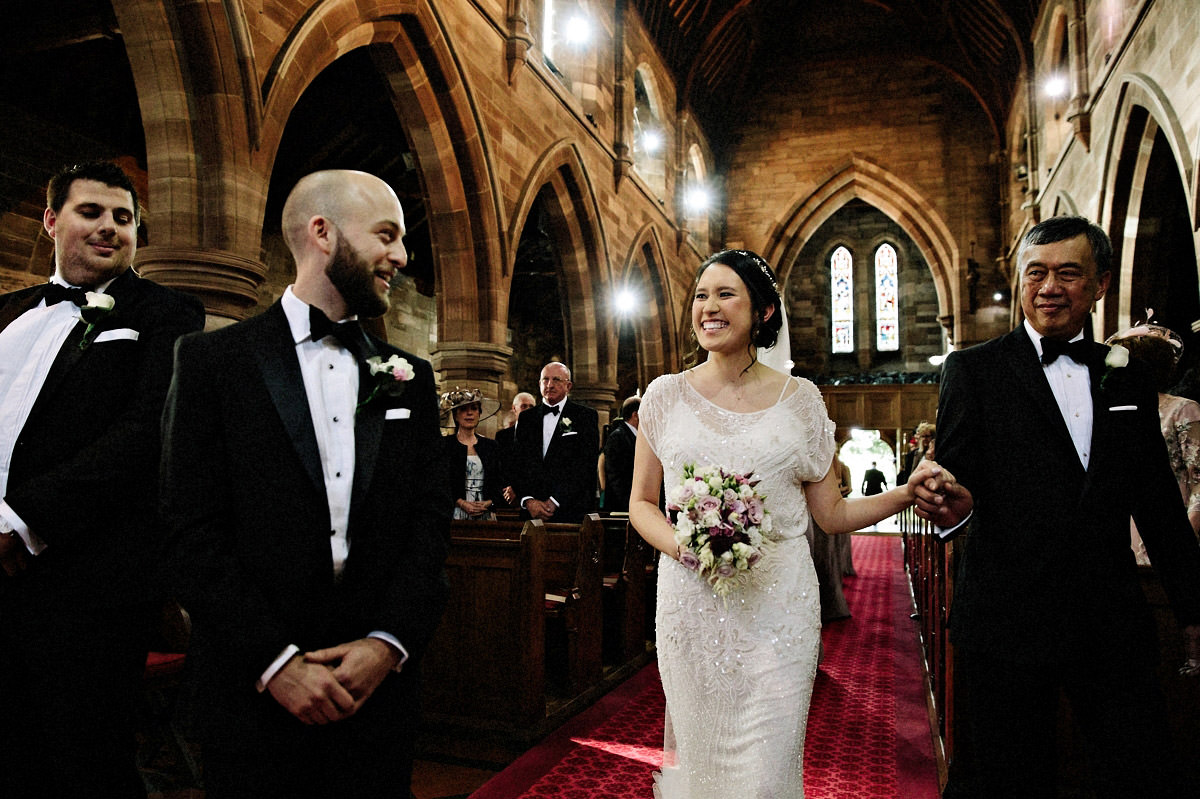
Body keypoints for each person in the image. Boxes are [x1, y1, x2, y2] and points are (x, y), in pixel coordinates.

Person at [161, 169, 450, 797]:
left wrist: (387, 643)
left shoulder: (408, 377)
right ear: (323, 233)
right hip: (252, 694)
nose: (401, 256)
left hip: (376, 699)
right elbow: (189, 532)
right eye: (386, 235)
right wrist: (275, 662)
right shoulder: (214, 362)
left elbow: (428, 530)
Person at [629, 248, 947, 797]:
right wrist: (688, 547)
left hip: (778, 609)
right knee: (704, 764)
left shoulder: (800, 400)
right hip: (692, 603)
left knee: (767, 768)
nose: (709, 307)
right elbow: (642, 503)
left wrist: (904, 493)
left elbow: (832, 514)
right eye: (701, 295)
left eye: (726, 294)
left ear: (763, 312)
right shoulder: (664, 395)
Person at [916, 215, 1200, 799]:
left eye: (1068, 273)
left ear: (1099, 285)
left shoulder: (1127, 379)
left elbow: (1157, 501)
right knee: (1006, 780)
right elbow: (956, 486)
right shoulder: (973, 371)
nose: (1049, 287)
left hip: (1109, 616)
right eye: (1036, 273)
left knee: (1140, 772)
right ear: (1021, 283)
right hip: (1006, 616)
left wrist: (1195, 609)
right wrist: (949, 503)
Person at [0, 160, 205, 797]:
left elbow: (144, 434)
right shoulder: (7, 312)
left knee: (85, 763)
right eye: (91, 212)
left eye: (123, 218)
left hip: (87, 581)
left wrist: (20, 520)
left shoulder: (166, 312)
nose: (109, 228)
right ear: (50, 221)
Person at [1107, 324, 1200, 563]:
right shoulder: (1111, 411)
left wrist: (1185, 537)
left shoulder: (1183, 409)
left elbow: (1198, 480)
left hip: (1168, 522)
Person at [513, 361, 600, 524]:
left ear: (568, 386)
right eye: (545, 380)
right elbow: (518, 462)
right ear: (539, 384)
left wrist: (555, 501)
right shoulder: (526, 418)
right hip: (531, 513)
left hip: (570, 510)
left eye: (556, 380)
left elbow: (585, 465)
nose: (550, 385)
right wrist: (528, 500)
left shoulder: (585, 417)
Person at [440, 386, 503, 520]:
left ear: (479, 413)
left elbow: (499, 482)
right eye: (463, 409)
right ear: (456, 415)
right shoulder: (445, 445)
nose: (470, 413)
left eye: (474, 409)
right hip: (455, 513)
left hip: (485, 513)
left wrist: (488, 503)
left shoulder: (491, 446)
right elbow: (441, 481)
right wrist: (461, 503)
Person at [602, 395, 640, 513]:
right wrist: (630, 504)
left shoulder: (636, 436)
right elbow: (615, 476)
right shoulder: (617, 437)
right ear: (635, 415)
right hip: (621, 506)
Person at [497, 391, 536, 505]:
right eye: (524, 406)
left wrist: (518, 489)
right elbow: (499, 466)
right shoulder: (502, 436)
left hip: (533, 496)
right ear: (514, 408)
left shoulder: (542, 435)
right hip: (506, 496)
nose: (528, 409)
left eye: (531, 407)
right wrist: (508, 489)